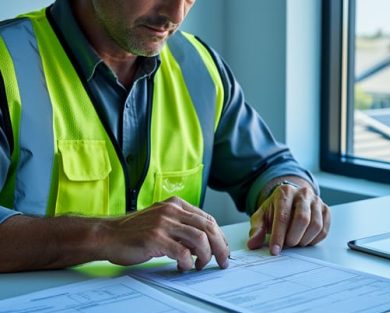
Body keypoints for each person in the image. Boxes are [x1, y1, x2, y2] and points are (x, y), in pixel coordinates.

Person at [0, 0, 330, 273]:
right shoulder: (7, 62)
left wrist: (290, 194)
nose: (175, 15)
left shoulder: (200, 68)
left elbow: (268, 166)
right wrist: (105, 235)